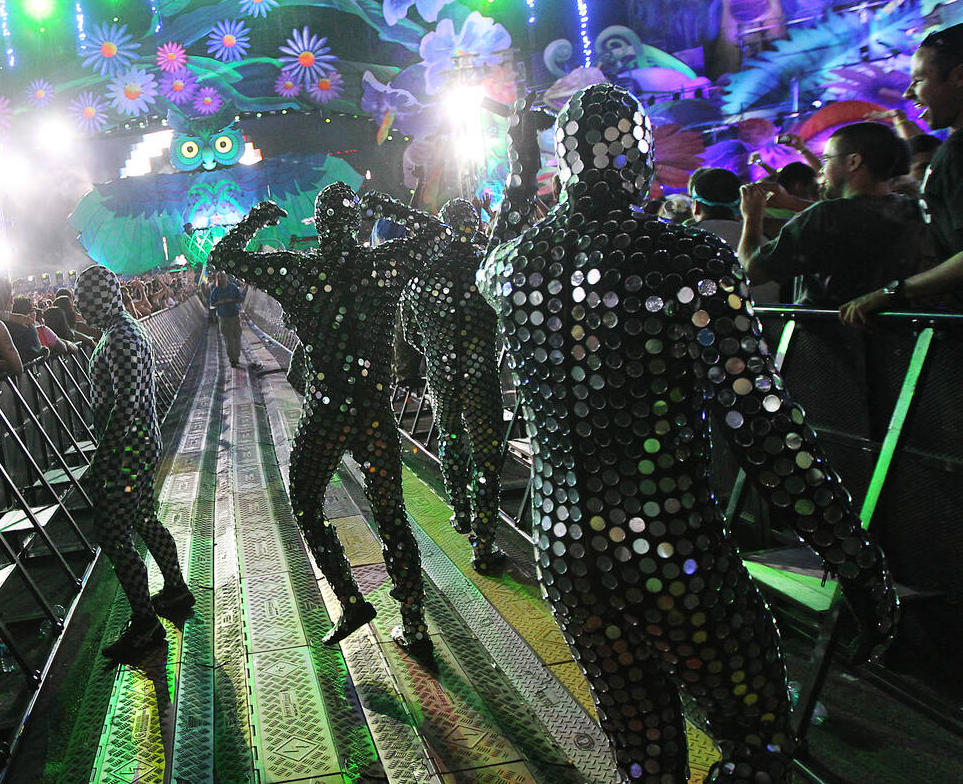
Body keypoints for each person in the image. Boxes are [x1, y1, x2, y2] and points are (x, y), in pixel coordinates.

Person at [477, 84, 897, 784]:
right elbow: (765, 427)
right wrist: (852, 560)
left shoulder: (511, 267)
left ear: (563, 165)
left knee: (642, 740)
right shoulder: (688, 263)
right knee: (758, 734)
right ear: (643, 167)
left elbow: (493, 249)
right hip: (672, 550)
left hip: (565, 551)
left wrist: (521, 175)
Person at [210, 183, 437, 658]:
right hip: (375, 411)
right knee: (391, 510)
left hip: (329, 410)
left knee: (307, 499)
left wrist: (257, 219)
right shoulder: (383, 266)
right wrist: (387, 203)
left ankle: (351, 600)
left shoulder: (298, 271)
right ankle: (414, 624)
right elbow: (436, 231)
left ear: (319, 224)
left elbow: (224, 255)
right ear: (354, 222)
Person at [364, 195, 508, 574]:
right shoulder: (486, 266)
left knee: (450, 436)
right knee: (487, 453)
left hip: (442, 373)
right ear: (474, 225)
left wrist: (439, 345)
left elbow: (409, 334)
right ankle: (484, 542)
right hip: (481, 373)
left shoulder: (421, 276)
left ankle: (460, 511)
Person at [75, 264, 191, 662]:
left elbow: (125, 405)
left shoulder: (120, 337)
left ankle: (145, 624)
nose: (79, 305)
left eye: (85, 297)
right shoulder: (121, 331)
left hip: (129, 448)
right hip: (139, 443)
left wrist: (104, 458)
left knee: (112, 533)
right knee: (143, 518)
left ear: (102, 297)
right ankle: (175, 589)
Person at [842, 24, 963, 323]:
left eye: (919, 80)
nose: (909, 93)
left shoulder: (958, 153)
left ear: (960, 77)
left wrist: (892, 292)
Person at [739, 122, 927, 307]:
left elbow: (751, 272)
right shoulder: (912, 209)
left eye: (826, 160)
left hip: (828, 333)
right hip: (898, 332)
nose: (821, 170)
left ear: (853, 162)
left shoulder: (825, 215)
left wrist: (752, 217)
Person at [207, 271, 245, 367]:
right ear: (217, 279)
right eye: (220, 277)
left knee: (236, 337)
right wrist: (221, 302)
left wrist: (231, 300)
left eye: (223, 277)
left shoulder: (233, 287)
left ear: (226, 277)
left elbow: (241, 299)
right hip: (223, 317)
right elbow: (211, 304)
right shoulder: (215, 290)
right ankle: (232, 359)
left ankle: (236, 356)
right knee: (228, 339)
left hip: (234, 315)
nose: (222, 279)